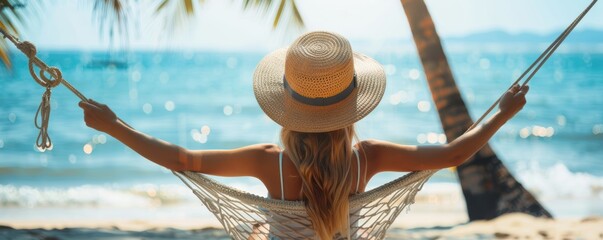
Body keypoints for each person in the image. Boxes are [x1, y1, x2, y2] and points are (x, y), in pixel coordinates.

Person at [79, 31, 529, 239]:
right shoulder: (366, 158)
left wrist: (114, 126)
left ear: (288, 104)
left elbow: (182, 158)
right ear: (353, 104)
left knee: (259, 229)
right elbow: (455, 153)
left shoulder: (268, 160)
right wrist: (502, 113)